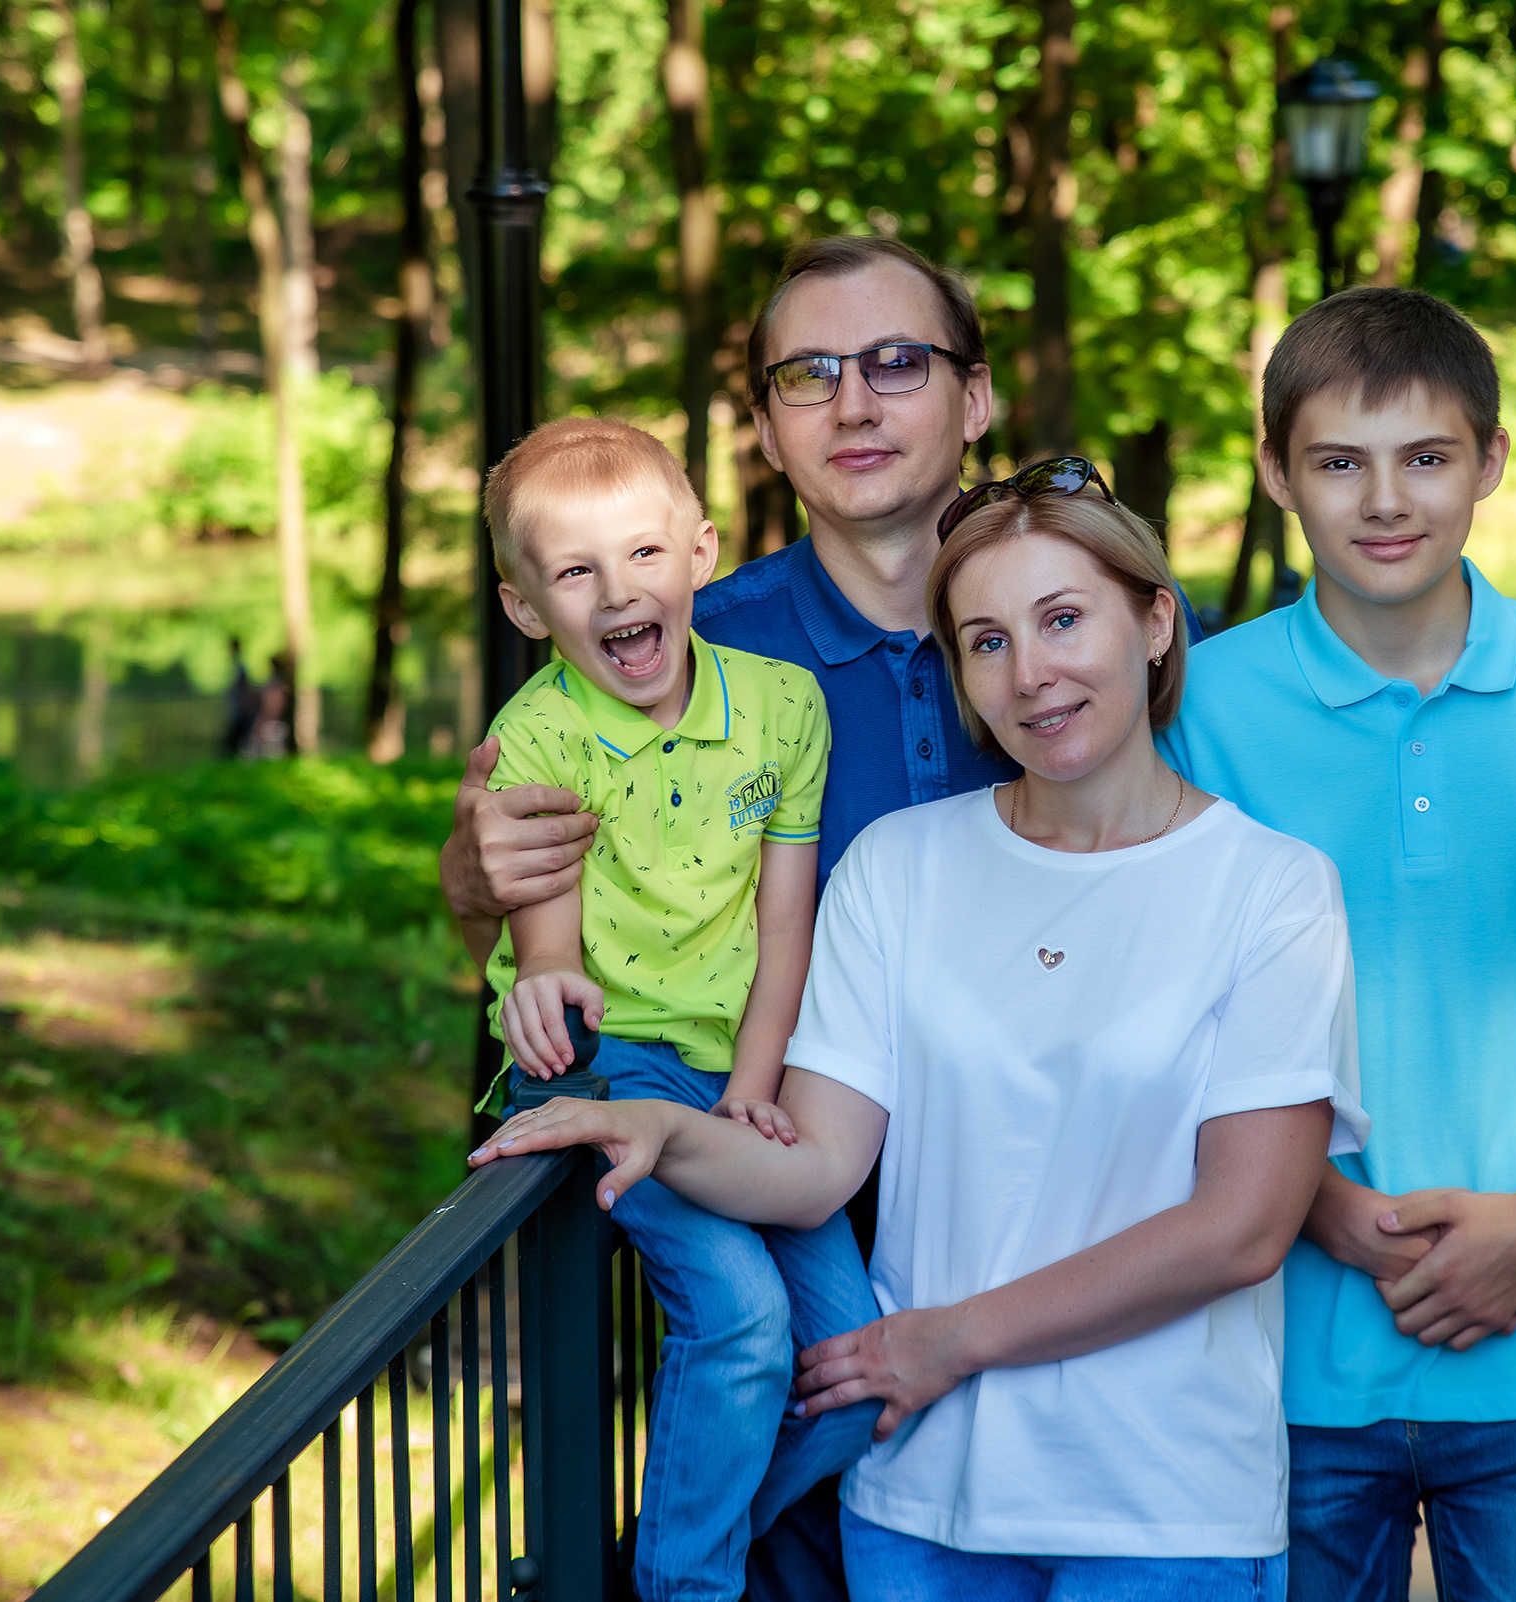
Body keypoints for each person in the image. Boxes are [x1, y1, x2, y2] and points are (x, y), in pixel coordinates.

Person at [436, 236, 1198, 1597]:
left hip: (1073, 1300)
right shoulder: (671, 652)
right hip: (793, 1265)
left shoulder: (1069, 654)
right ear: (766, 430)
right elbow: (511, 907)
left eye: (897, 363)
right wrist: (471, 877)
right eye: (810, 373)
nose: (854, 402)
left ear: (974, 401)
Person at [469, 484, 1364, 1600]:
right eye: (986, 641)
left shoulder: (1272, 888)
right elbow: (815, 1167)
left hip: (1163, 1507)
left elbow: (1243, 1229)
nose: (1030, 672)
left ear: (1155, 621)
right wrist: (658, 1124)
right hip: (918, 1501)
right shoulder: (898, 865)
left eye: (1064, 619)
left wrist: (952, 1339)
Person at [1160, 287, 1516, 1601]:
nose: (1385, 501)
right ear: (1274, 474)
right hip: (1278, 1364)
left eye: (1425, 457)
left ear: (1490, 462)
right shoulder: (1200, 710)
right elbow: (1162, 1018)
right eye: (1338, 463)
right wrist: (1322, 1208)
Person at [473, 416, 879, 1602]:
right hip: (609, 1071)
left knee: (848, 1368)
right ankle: (685, 1587)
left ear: (701, 552)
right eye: (575, 572)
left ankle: (662, 1554)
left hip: (740, 1066)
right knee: (743, 1320)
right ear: (525, 607)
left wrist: (757, 1088)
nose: (618, 593)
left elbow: (785, 922)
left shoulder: (783, 707)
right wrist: (545, 980)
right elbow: (543, 932)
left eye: (644, 555)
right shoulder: (538, 733)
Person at [221, 636, 259, 757]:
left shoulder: (240, 668)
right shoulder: (237, 666)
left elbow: (245, 691)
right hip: (237, 711)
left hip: (240, 712)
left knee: (234, 744)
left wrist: (244, 708)